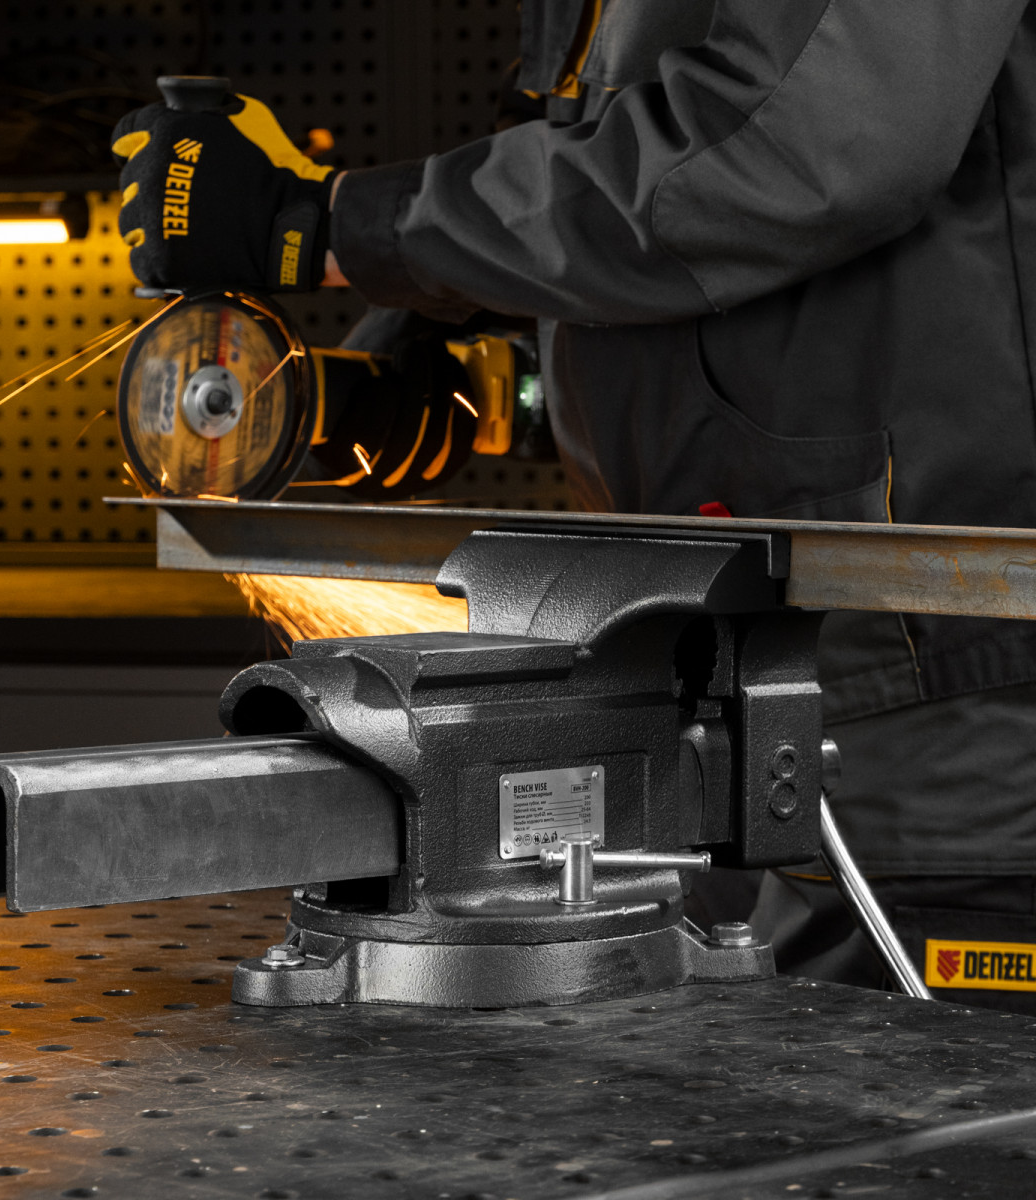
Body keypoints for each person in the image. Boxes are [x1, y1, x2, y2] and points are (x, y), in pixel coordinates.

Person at [111, 1, 1036, 1013]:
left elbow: (805, 145)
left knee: (922, 1112)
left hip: (942, 718)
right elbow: (644, 174)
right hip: (729, 686)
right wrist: (458, 325)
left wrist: (333, 225)